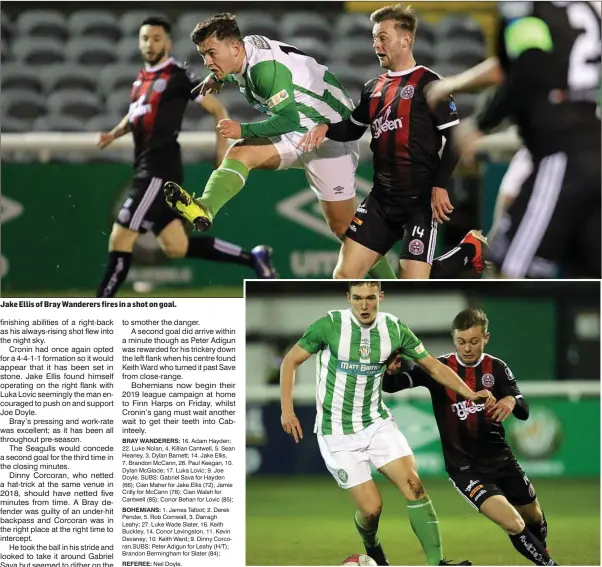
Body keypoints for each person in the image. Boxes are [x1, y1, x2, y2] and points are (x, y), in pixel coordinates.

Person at [162, 12, 398, 280]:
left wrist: (243, 128)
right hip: (300, 129)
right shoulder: (242, 52)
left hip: (330, 134)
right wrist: (218, 78)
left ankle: (394, 283)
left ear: (235, 47)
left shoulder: (265, 70)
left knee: (345, 228)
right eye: (204, 55)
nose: (207, 62)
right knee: (242, 151)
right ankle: (204, 207)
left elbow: (287, 119)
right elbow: (252, 81)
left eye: (211, 53)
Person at [280, 281, 495, 566]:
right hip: (337, 432)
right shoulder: (329, 325)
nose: (364, 305)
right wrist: (287, 410)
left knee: (414, 486)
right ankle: (372, 546)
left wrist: (469, 393)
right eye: (357, 298)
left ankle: (437, 563)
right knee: (371, 509)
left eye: (370, 298)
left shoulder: (394, 329)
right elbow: (290, 361)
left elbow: (433, 366)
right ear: (349, 298)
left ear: (380, 297)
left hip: (376, 423)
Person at [298, 4, 486, 280]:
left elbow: (455, 139)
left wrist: (439, 184)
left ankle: (468, 250)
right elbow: (352, 128)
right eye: (374, 38)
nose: (376, 45)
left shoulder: (430, 83)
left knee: (411, 284)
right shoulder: (373, 88)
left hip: (420, 201)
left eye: (382, 37)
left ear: (405, 39)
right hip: (381, 200)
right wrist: (325, 128)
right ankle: (469, 250)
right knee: (344, 276)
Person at [95, 16, 276, 298]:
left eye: (156, 38)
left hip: (158, 170)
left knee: (121, 237)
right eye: (145, 38)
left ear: (167, 42)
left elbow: (217, 110)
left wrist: (221, 152)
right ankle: (253, 257)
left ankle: (98, 308)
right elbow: (136, 115)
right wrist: (113, 134)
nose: (150, 43)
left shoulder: (177, 74)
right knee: (175, 246)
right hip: (146, 166)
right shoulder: (141, 80)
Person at [426, 2, 601, 278]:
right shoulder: (584, 8)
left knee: (509, 270)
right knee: (585, 278)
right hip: (591, 145)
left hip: (560, 155)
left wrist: (480, 124)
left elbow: (530, 63)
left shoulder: (526, 6)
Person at [383, 307, 557, 566]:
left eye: (474, 341)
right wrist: (390, 371)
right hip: (466, 469)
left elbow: (523, 410)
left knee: (534, 518)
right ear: (454, 339)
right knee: (514, 523)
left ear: (486, 338)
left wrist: (510, 400)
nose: (467, 348)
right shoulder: (438, 368)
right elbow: (393, 386)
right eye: (461, 341)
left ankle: (543, 555)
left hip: (502, 460)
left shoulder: (496, 368)